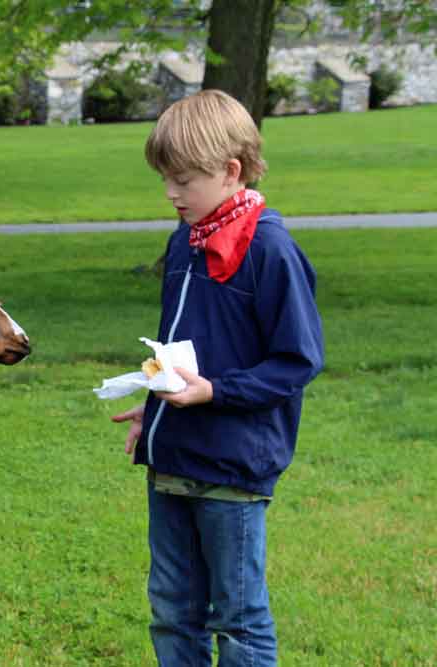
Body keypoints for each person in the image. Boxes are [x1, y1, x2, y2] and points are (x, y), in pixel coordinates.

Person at [111, 89, 324, 666]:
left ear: (231, 171)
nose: (171, 193)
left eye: (184, 179)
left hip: (232, 469)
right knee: (172, 612)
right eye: (165, 179)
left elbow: (298, 360)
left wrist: (216, 392)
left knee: (238, 620)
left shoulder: (270, 250)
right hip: (173, 460)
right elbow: (176, 345)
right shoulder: (185, 243)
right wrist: (151, 406)